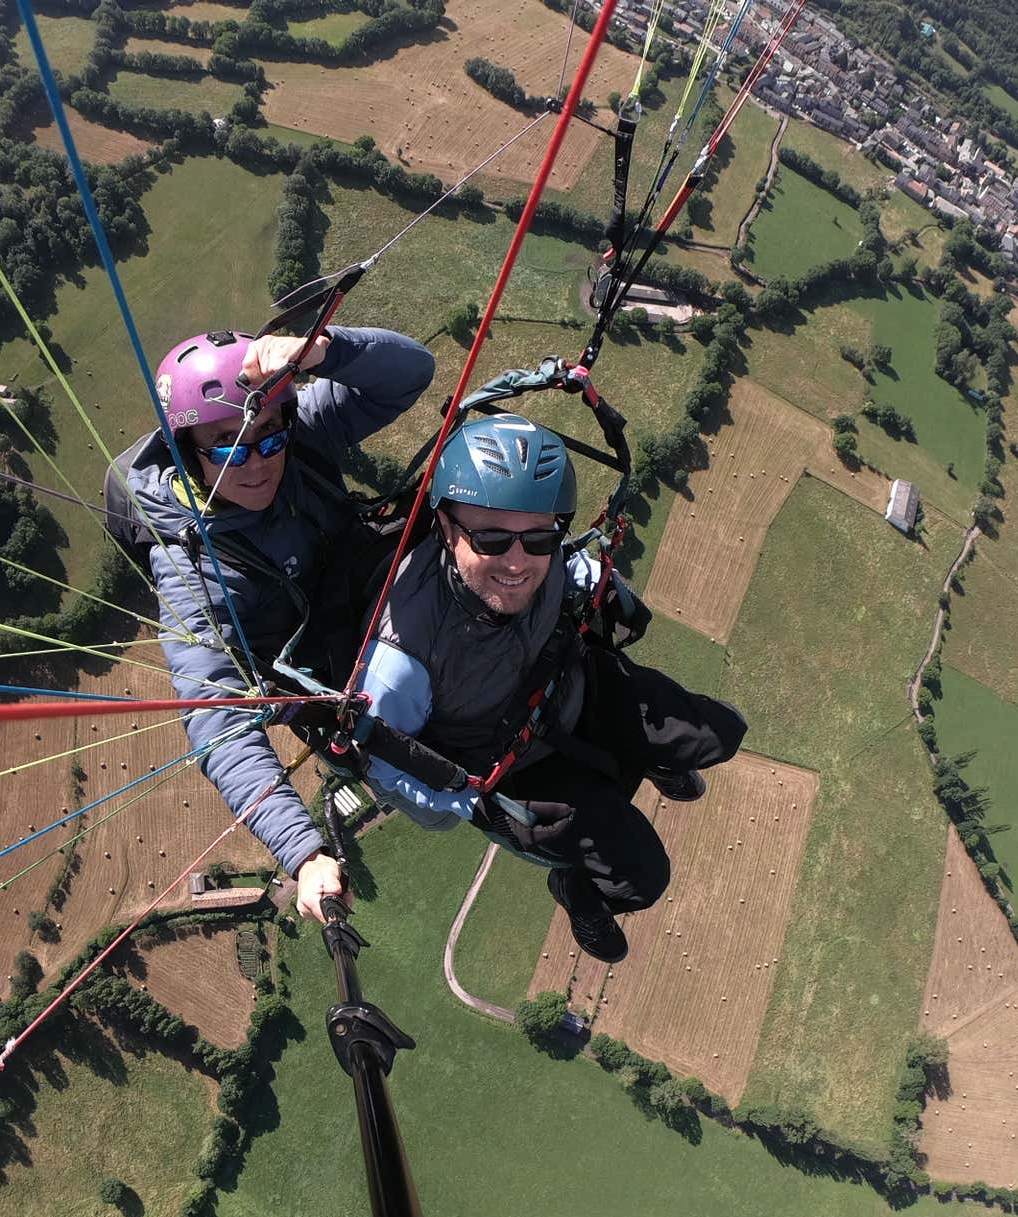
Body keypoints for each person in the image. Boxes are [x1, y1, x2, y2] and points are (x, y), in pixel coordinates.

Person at [357, 412, 747, 961]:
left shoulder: (543, 556)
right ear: (444, 527)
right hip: (512, 772)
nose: (517, 561)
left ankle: (644, 754)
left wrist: (605, 588)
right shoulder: (401, 661)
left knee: (721, 732)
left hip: (568, 685)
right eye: (491, 537)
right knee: (642, 876)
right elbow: (402, 782)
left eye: (537, 535)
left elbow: (568, 564)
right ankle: (578, 894)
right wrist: (466, 798)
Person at [115, 326, 435, 923]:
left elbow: (412, 373)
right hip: (335, 677)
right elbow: (218, 722)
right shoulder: (189, 567)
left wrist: (327, 351)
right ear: (186, 452)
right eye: (228, 448)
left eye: (266, 436)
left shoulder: (299, 434)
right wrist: (304, 852)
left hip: (372, 591)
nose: (259, 462)